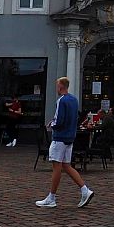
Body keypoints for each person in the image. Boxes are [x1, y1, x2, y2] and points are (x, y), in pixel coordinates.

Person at [36, 77, 94, 209]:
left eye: (57, 86)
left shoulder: (61, 101)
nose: (56, 88)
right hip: (70, 137)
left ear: (61, 87)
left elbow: (59, 119)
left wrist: (53, 125)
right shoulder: (74, 100)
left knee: (57, 166)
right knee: (66, 165)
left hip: (60, 137)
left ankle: (51, 197)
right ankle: (85, 190)